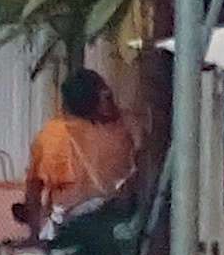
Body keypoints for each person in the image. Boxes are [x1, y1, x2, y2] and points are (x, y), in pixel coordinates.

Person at [20, 66, 139, 228]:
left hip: (73, 222)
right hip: (113, 222)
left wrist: (35, 233)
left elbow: (34, 189)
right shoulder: (124, 126)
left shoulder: (52, 133)